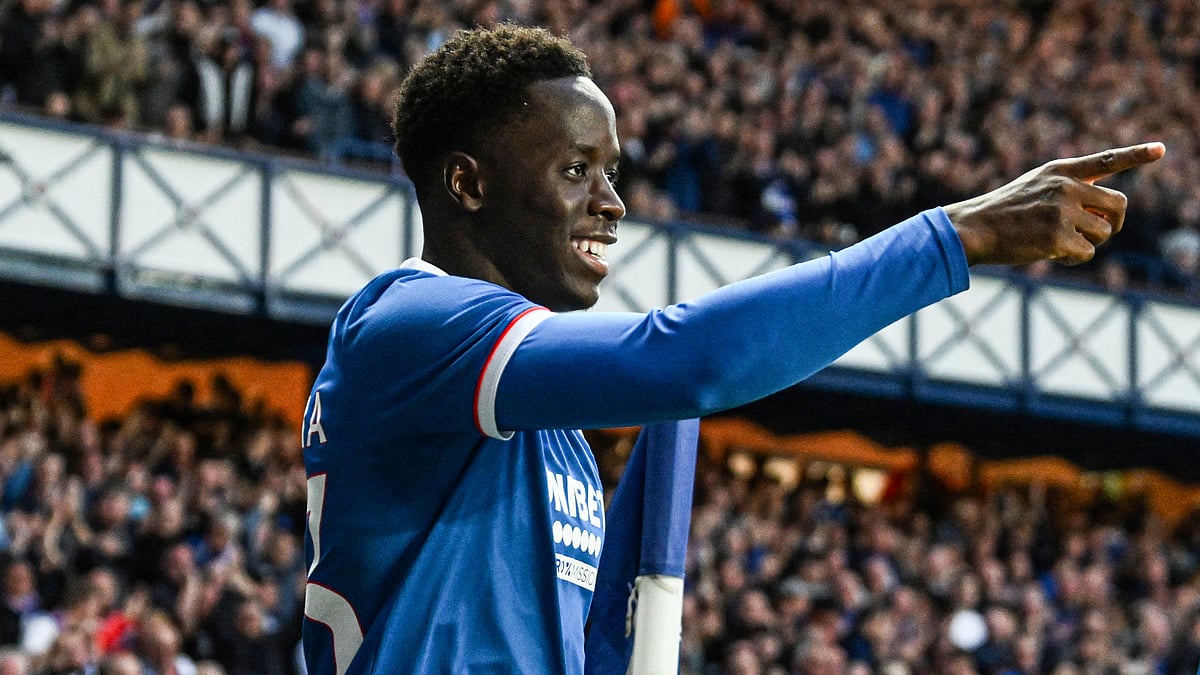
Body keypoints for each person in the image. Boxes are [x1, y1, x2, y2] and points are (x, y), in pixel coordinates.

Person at [298, 23, 1164, 674]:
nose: (612, 202)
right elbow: (685, 360)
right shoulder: (406, 326)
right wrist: (952, 237)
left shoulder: (540, 427)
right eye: (575, 170)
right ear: (467, 183)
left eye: (613, 171)